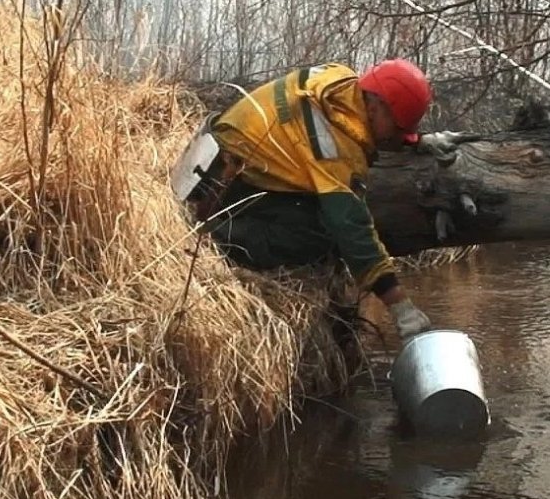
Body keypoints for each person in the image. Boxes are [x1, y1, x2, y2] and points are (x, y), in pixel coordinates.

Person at [174, 59, 436, 342]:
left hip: (210, 158)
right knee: (321, 233)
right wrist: (399, 304)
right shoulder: (336, 143)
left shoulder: (338, 82)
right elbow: (351, 227)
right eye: (397, 129)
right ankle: (214, 238)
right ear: (375, 107)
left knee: (319, 212)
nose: (397, 137)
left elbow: (375, 134)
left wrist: (419, 142)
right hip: (220, 190)